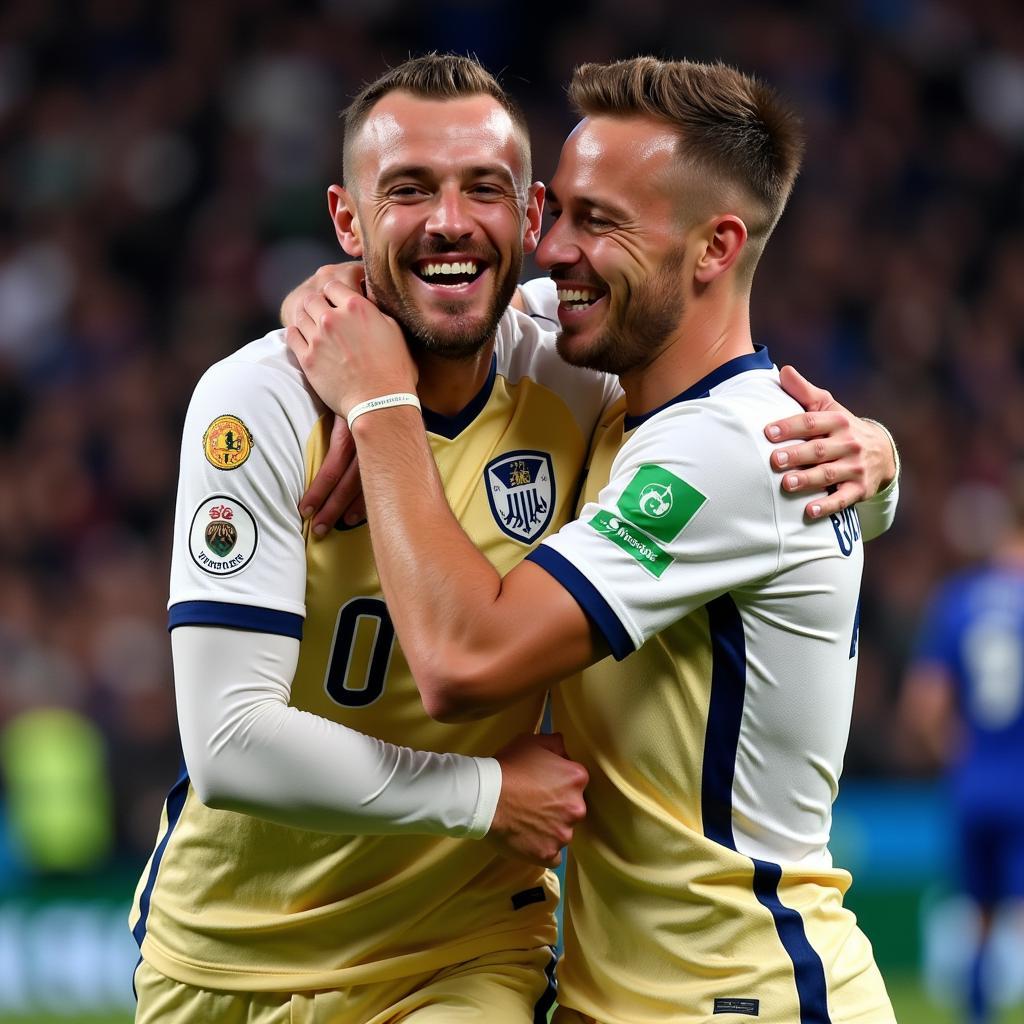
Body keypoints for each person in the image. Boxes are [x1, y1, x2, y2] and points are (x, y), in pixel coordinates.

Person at [286, 56, 899, 1023]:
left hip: (742, 995)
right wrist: (342, 292)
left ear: (714, 248)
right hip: (619, 993)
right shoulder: (626, 390)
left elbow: (463, 657)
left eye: (600, 221)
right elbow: (420, 301)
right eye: (558, 211)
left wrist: (381, 407)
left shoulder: (732, 451)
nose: (554, 250)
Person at [900, 469, 1024, 1024]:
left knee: (980, 916)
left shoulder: (959, 600)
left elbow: (922, 705)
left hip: (974, 783)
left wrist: (959, 752)